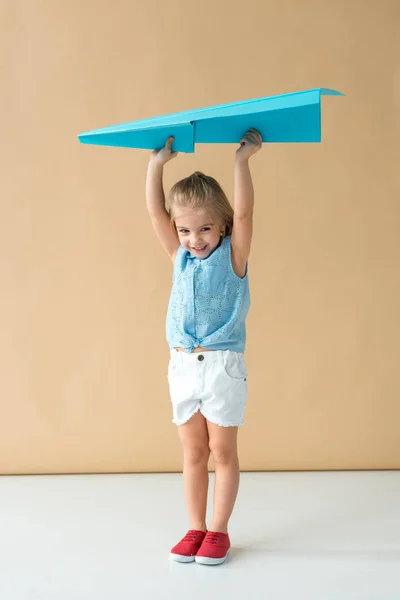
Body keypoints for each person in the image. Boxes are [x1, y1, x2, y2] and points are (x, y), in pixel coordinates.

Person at [145, 128, 262, 565]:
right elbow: (157, 215)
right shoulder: (179, 256)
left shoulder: (234, 256)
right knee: (193, 451)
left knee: (222, 451)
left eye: (206, 228)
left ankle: (219, 530)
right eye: (186, 230)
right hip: (182, 366)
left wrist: (241, 162)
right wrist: (156, 166)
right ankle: (195, 527)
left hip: (221, 366)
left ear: (223, 226)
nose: (195, 239)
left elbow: (247, 216)